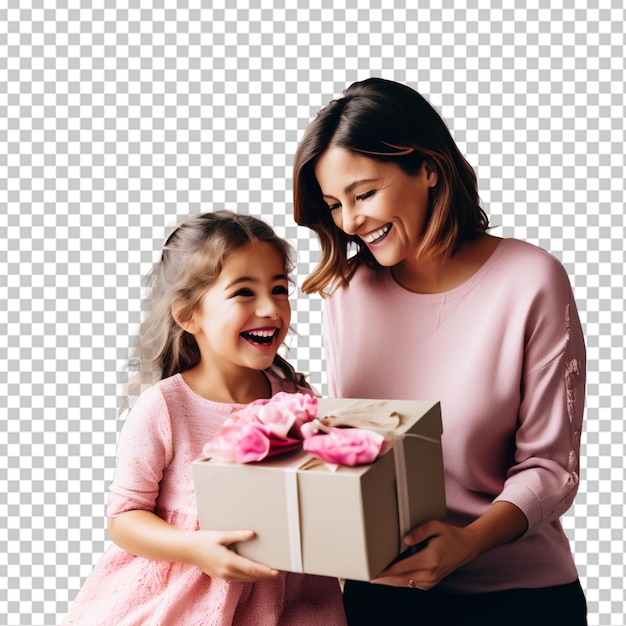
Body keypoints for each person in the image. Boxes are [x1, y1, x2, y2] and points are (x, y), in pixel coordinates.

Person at [292, 78, 587, 626]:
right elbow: (355, 444)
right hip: (381, 592)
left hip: (516, 595)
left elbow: (551, 468)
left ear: (428, 167)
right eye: (334, 204)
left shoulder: (531, 280)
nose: (350, 221)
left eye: (364, 193)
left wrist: (467, 542)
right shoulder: (347, 291)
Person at [63, 211, 347, 625]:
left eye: (279, 289)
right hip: (182, 602)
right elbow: (124, 517)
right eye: (244, 292)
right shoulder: (166, 407)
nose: (270, 307)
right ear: (188, 314)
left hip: (289, 602)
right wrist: (196, 548)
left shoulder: (298, 403)